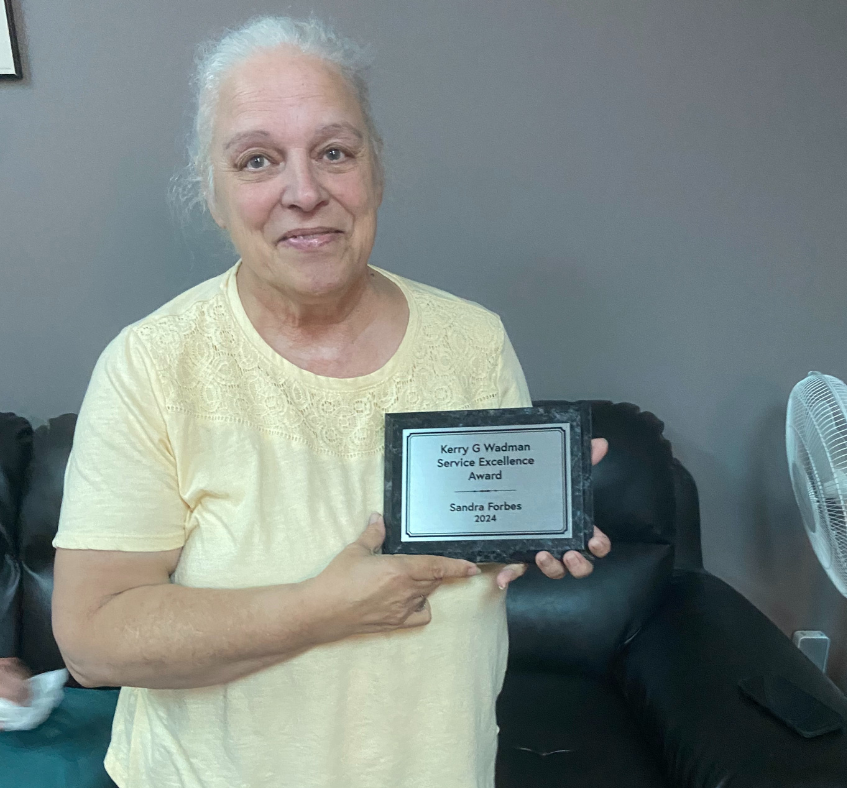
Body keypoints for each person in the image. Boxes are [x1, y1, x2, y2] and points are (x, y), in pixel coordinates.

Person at [51, 15, 611, 788]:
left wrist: (538, 520)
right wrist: (326, 606)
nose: (304, 192)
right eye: (257, 161)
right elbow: (93, 637)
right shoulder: (151, 364)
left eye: (334, 153)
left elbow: (481, 546)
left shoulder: (473, 342)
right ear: (214, 195)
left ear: (374, 173)